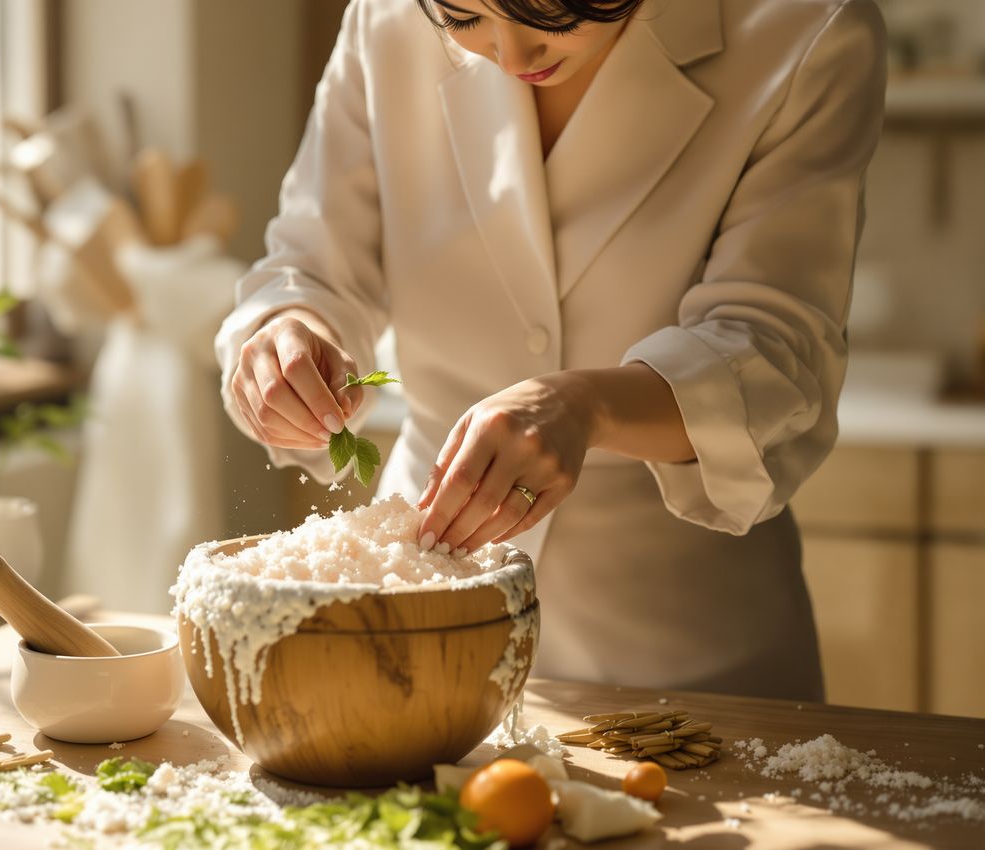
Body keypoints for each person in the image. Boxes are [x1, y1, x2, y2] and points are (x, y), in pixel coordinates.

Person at [215, 0, 887, 700]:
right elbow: (310, 263)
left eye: (550, 14)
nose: (509, 57)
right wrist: (288, 331)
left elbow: (776, 351)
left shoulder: (807, 31)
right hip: (420, 618)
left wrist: (587, 405)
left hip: (683, 651)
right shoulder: (386, 21)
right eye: (462, 16)